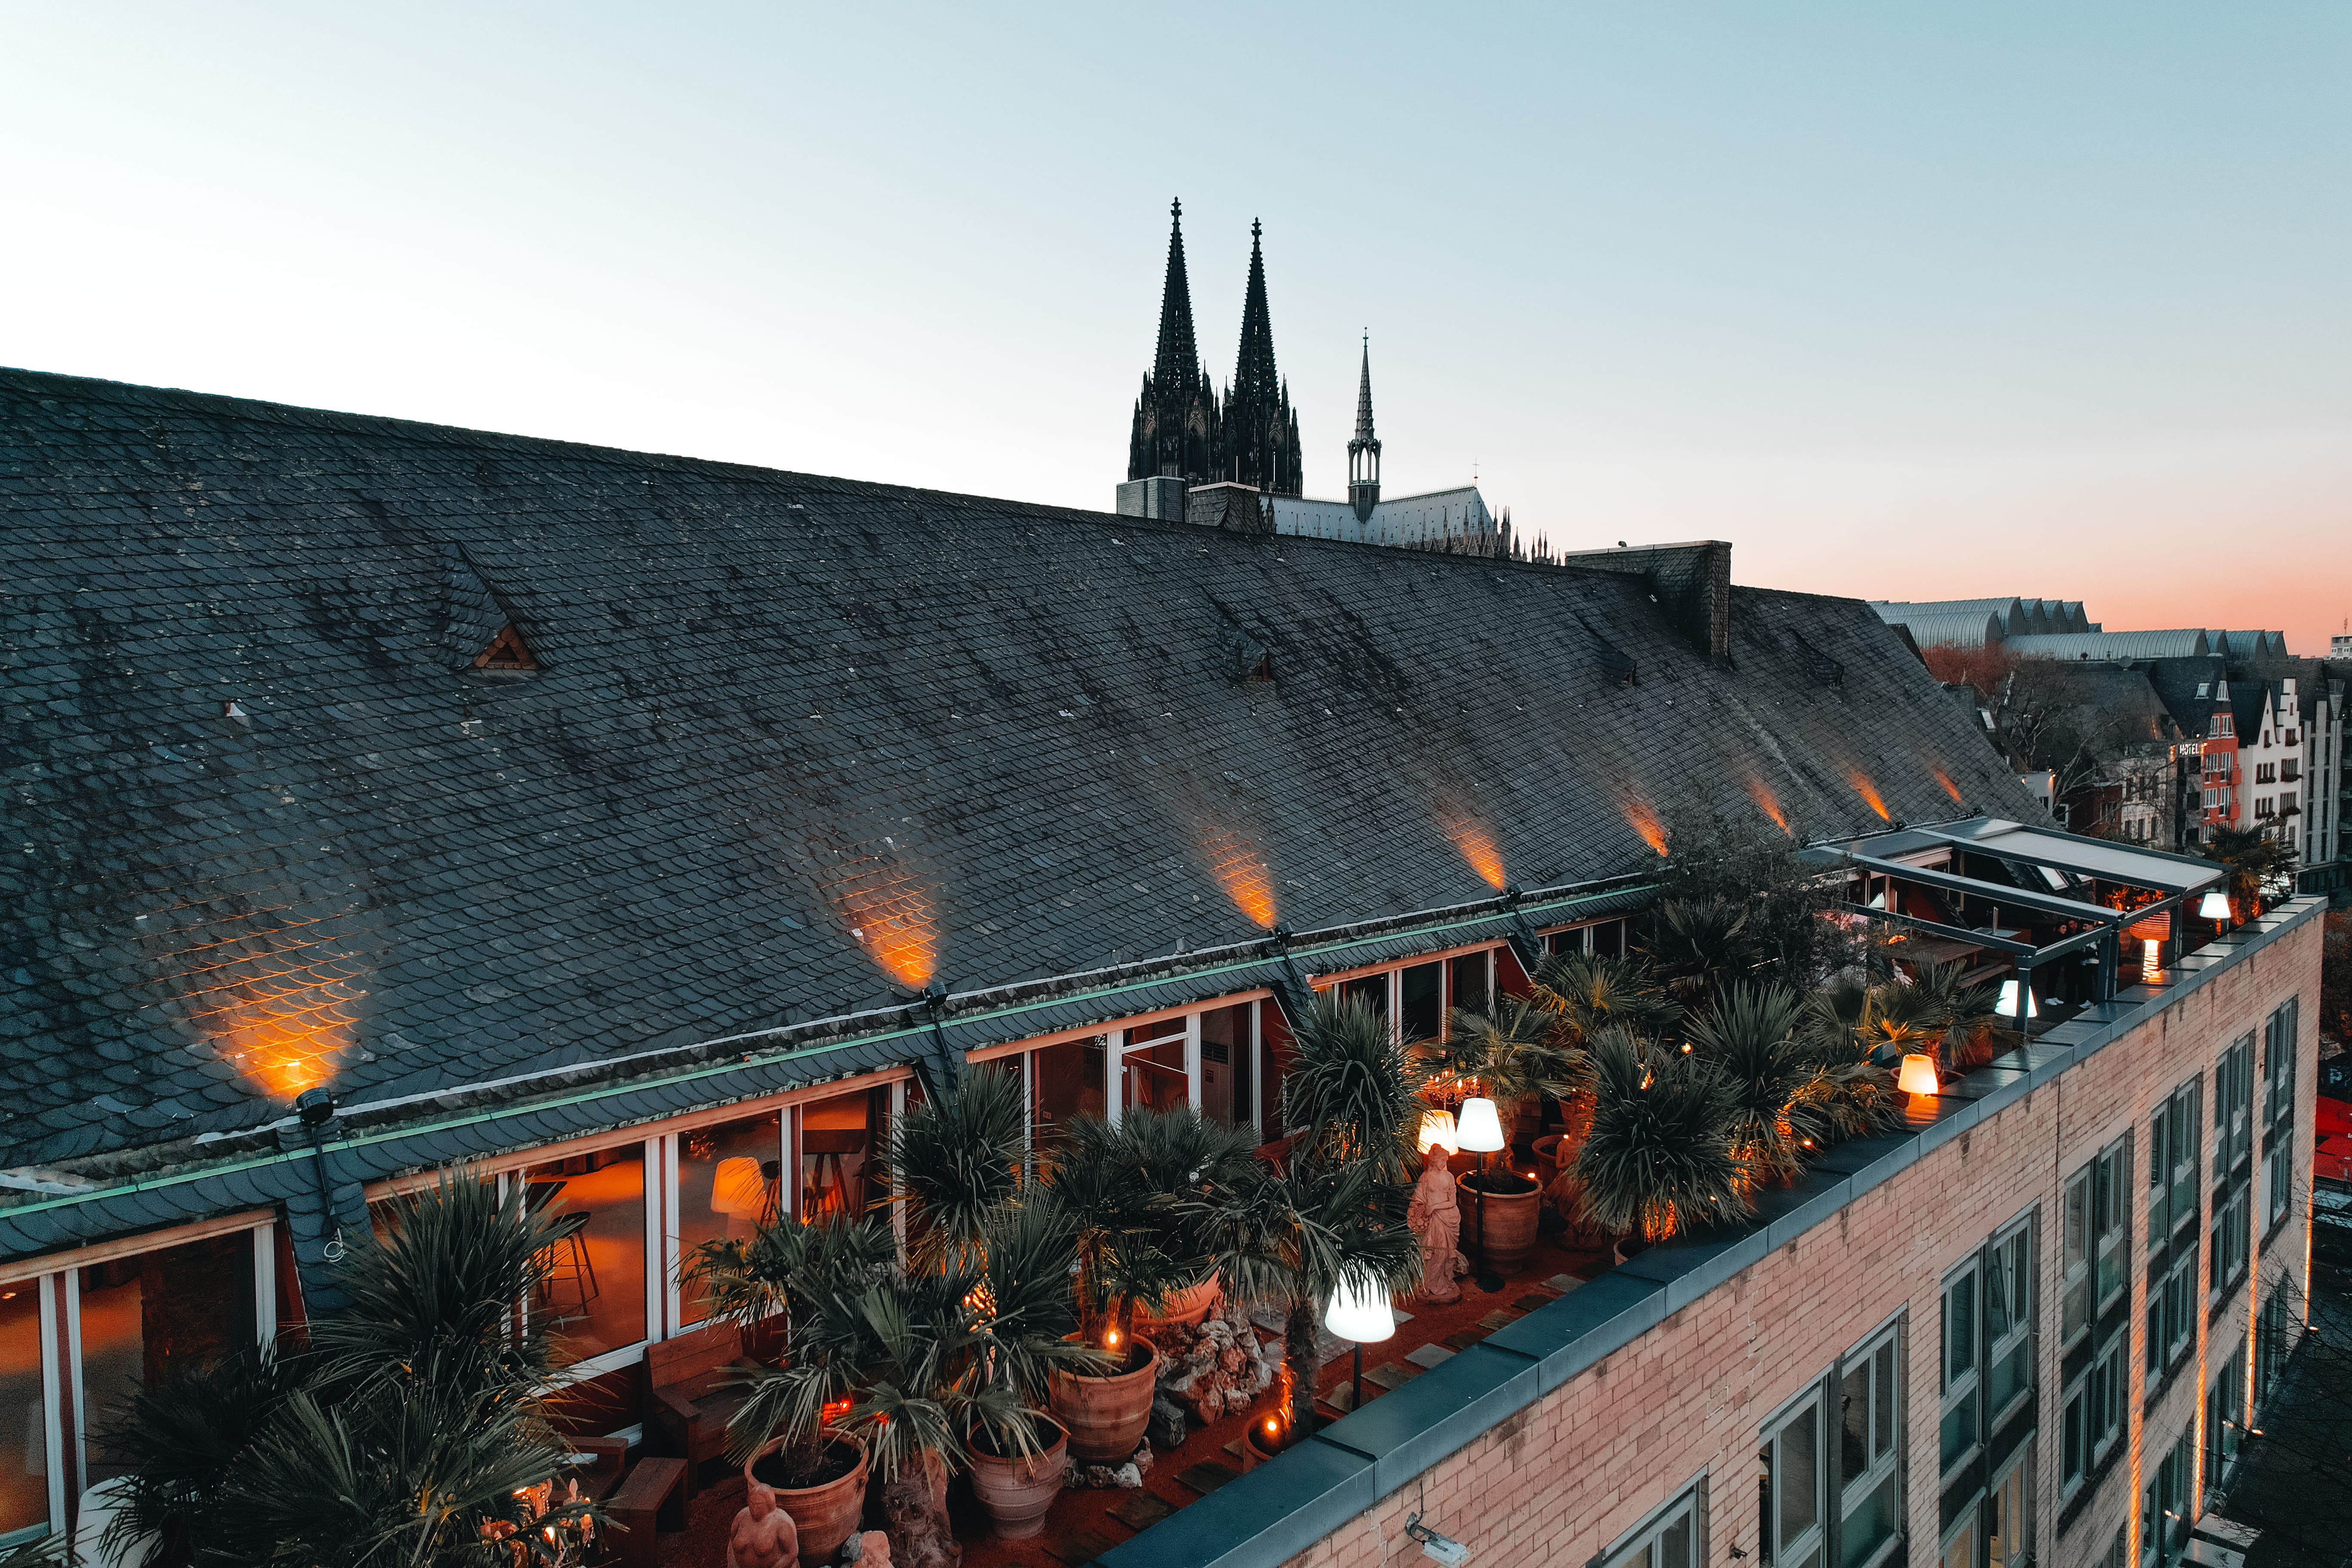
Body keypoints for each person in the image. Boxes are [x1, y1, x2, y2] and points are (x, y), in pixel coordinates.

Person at [1407, 1146, 1467, 1305]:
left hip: (1450, 1218)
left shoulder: (1449, 1177)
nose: (1445, 1163)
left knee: (1447, 1254)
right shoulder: (1425, 1178)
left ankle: (1444, 1282)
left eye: (1446, 1160)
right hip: (1433, 1220)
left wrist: (1435, 1207)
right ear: (1434, 1160)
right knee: (1435, 1253)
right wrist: (1415, 1215)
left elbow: (1453, 1202)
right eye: (1442, 1160)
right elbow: (1417, 1199)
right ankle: (1429, 1284)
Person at [726, 1478, 798, 1568]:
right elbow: (731, 1542)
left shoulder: (782, 1522)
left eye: (759, 1504)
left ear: (769, 1505)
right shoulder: (742, 1516)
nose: (754, 1508)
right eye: (752, 1503)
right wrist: (733, 1564)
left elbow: (792, 1554)